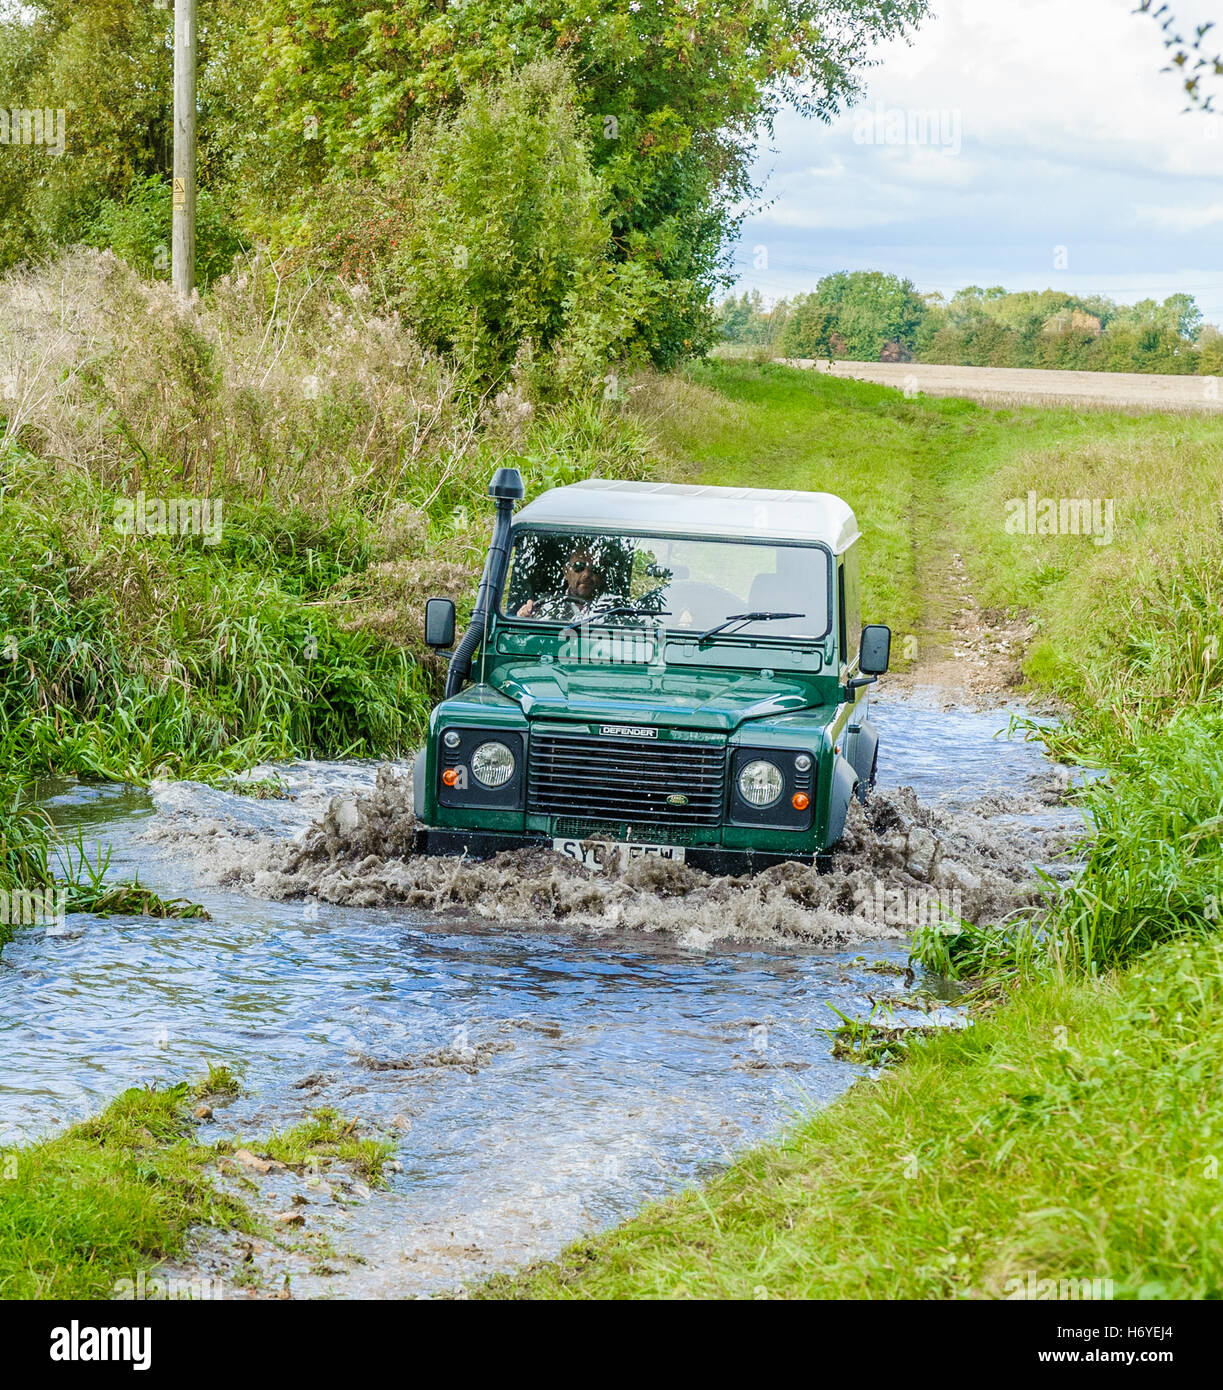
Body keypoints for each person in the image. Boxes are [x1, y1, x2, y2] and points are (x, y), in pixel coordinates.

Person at [516, 546, 606, 621]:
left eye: (594, 568)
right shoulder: (546, 605)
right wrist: (525, 616)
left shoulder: (610, 608)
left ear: (600, 576)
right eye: (579, 567)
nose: (586, 574)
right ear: (566, 572)